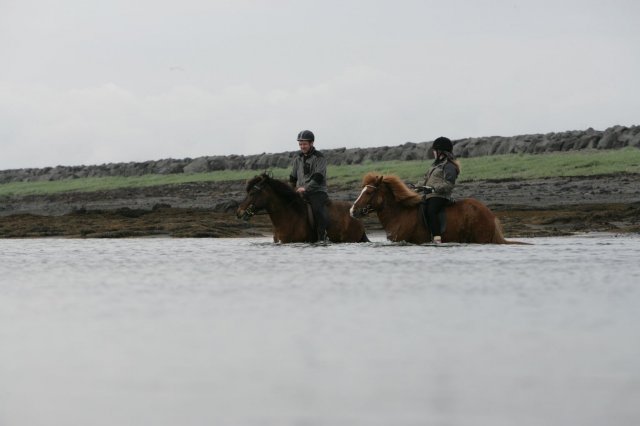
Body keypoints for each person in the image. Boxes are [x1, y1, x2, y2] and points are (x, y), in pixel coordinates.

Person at [417, 136, 461, 243]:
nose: (434, 153)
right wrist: (414, 188)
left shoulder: (449, 166)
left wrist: (433, 189)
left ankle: (437, 237)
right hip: (429, 195)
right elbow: (424, 180)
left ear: (441, 152)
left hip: (440, 196)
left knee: (431, 211)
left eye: (435, 151)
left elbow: (449, 184)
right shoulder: (435, 166)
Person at [289, 130, 330, 242]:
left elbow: (318, 176)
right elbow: (293, 177)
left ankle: (322, 236)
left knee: (317, 209)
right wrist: (291, 190)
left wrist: (306, 188)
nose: (302, 146)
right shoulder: (297, 158)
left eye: (305, 144)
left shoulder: (319, 157)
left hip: (317, 191)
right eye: (300, 144)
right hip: (300, 191)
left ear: (311, 143)